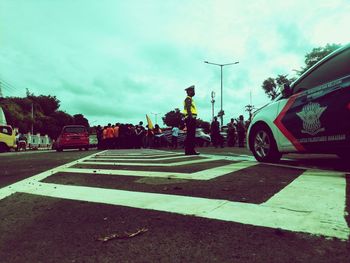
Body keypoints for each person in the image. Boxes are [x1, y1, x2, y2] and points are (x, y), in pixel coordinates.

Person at [183, 85, 199, 155]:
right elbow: (188, 109)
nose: (193, 92)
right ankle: (190, 150)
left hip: (190, 118)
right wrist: (190, 118)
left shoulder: (190, 99)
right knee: (191, 135)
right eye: (192, 91)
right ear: (189, 91)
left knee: (190, 135)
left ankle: (189, 150)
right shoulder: (188, 99)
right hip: (190, 118)